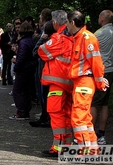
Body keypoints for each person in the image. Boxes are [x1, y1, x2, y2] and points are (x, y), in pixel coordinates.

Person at [66, 10, 109, 147]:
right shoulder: (79, 37)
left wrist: (100, 81)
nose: (66, 26)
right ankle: (92, 149)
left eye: (67, 22)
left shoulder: (87, 38)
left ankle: (85, 151)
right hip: (82, 82)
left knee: (78, 118)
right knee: (84, 118)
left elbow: (96, 62)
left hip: (84, 81)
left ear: (72, 23)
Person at [37, 10, 73, 157]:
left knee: (56, 114)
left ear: (55, 23)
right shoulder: (74, 37)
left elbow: (42, 51)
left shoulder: (59, 37)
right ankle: (67, 147)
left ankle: (57, 148)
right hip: (70, 82)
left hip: (57, 82)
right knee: (67, 115)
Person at [90, 10, 113, 145]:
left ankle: (91, 133)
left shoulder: (99, 33)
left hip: (102, 71)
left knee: (94, 103)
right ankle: (101, 133)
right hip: (111, 69)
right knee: (104, 104)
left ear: (102, 18)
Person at [9, 22, 36, 120]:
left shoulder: (23, 42)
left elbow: (21, 57)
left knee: (17, 90)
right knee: (26, 90)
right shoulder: (32, 40)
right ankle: (26, 110)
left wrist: (16, 68)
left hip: (23, 68)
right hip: (31, 67)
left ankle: (21, 111)